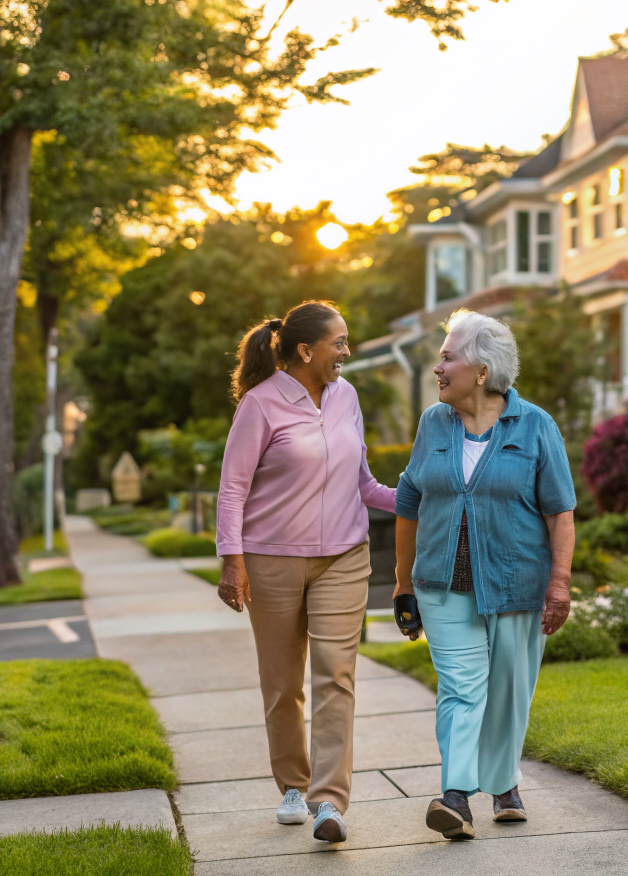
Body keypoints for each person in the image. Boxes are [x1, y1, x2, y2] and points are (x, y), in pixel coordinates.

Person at [215, 300, 395, 844]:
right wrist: (233, 560)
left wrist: (415, 496)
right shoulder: (261, 405)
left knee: (336, 674)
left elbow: (363, 481)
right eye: (339, 342)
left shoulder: (347, 397)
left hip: (344, 554)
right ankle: (293, 786)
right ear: (305, 350)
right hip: (271, 560)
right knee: (282, 683)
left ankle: (329, 802)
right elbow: (232, 488)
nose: (347, 351)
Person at [393, 309, 576, 840]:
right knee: (461, 688)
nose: (437, 367)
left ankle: (503, 783)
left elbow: (560, 513)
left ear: (481, 370)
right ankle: (455, 796)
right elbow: (409, 499)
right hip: (441, 583)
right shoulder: (434, 423)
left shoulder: (536, 425)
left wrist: (559, 583)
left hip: (518, 581)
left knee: (509, 690)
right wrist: (403, 583)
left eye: (447, 356)